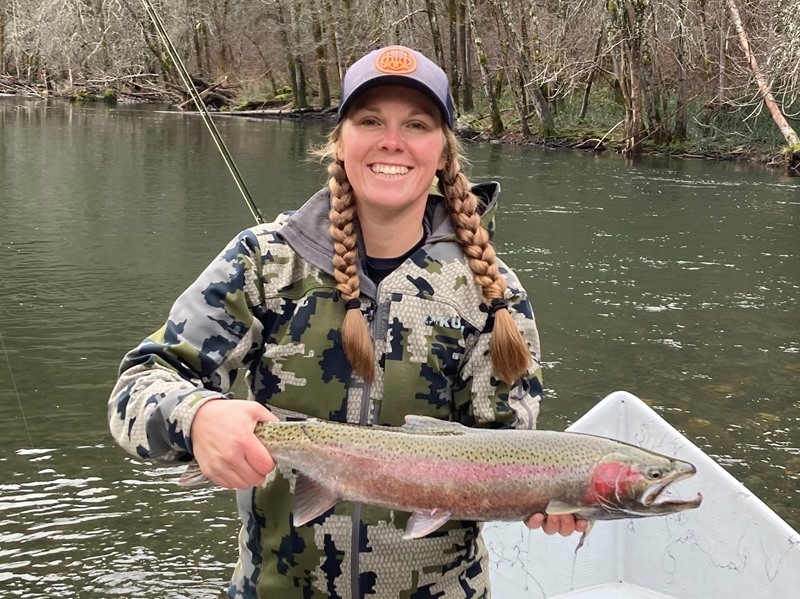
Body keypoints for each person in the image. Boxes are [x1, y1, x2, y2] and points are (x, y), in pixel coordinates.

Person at [108, 45, 587, 598]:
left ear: (443, 151)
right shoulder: (263, 262)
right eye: (369, 121)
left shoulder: (492, 292)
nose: (392, 141)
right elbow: (137, 385)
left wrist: (553, 497)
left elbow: (508, 450)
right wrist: (196, 417)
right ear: (339, 141)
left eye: (416, 124)